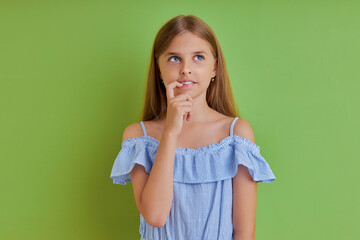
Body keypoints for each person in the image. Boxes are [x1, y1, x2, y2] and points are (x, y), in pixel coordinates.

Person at [110, 14, 276, 240]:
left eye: (198, 57)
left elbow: (244, 232)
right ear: (159, 70)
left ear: (214, 68)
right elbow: (156, 216)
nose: (186, 69)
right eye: (174, 58)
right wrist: (170, 132)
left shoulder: (236, 135)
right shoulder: (138, 137)